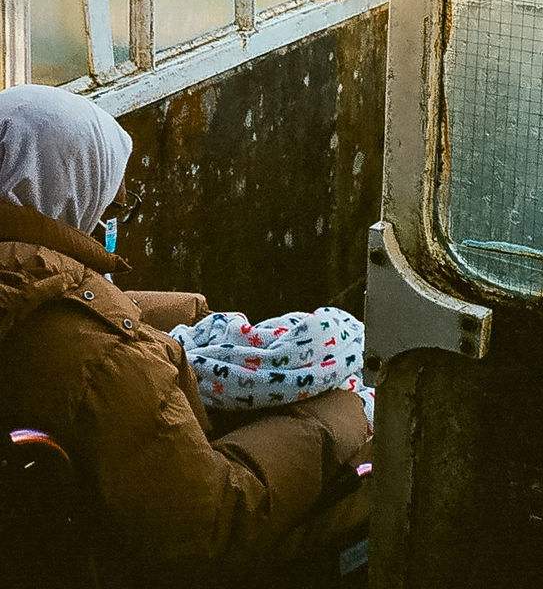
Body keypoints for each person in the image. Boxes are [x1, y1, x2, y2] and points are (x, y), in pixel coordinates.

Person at [0, 84, 370, 588]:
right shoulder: (107, 364)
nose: (112, 225)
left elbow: (63, 301)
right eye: (110, 208)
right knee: (368, 470)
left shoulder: (20, 286)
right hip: (143, 559)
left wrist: (185, 315)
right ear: (67, 194)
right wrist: (337, 419)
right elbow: (212, 523)